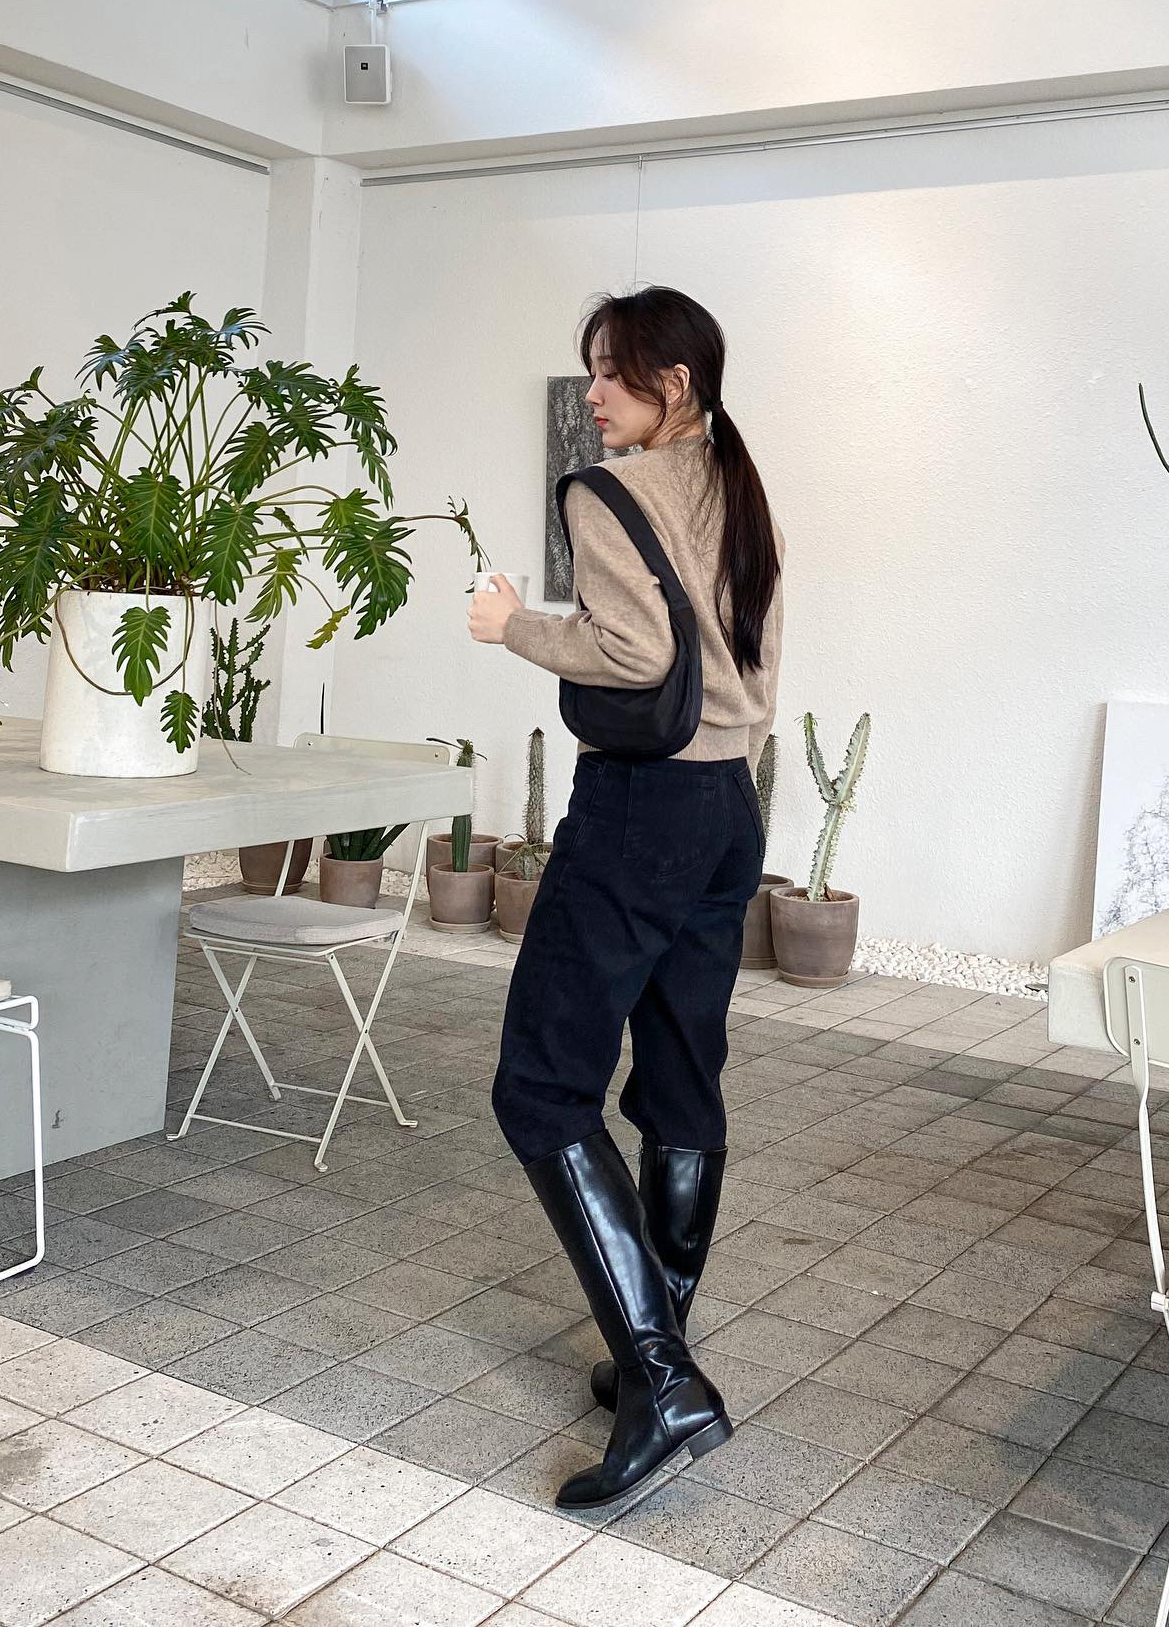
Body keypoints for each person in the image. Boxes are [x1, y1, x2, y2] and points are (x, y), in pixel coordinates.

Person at [468, 285, 785, 1510]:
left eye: (614, 371)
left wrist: (513, 625)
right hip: (728, 808)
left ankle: (661, 1379)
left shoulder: (607, 492)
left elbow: (635, 653)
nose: (594, 393)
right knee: (681, 1077)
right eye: (591, 369)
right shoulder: (740, 488)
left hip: (642, 808)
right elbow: (742, 659)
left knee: (542, 1084)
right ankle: (661, 1342)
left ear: (677, 384)